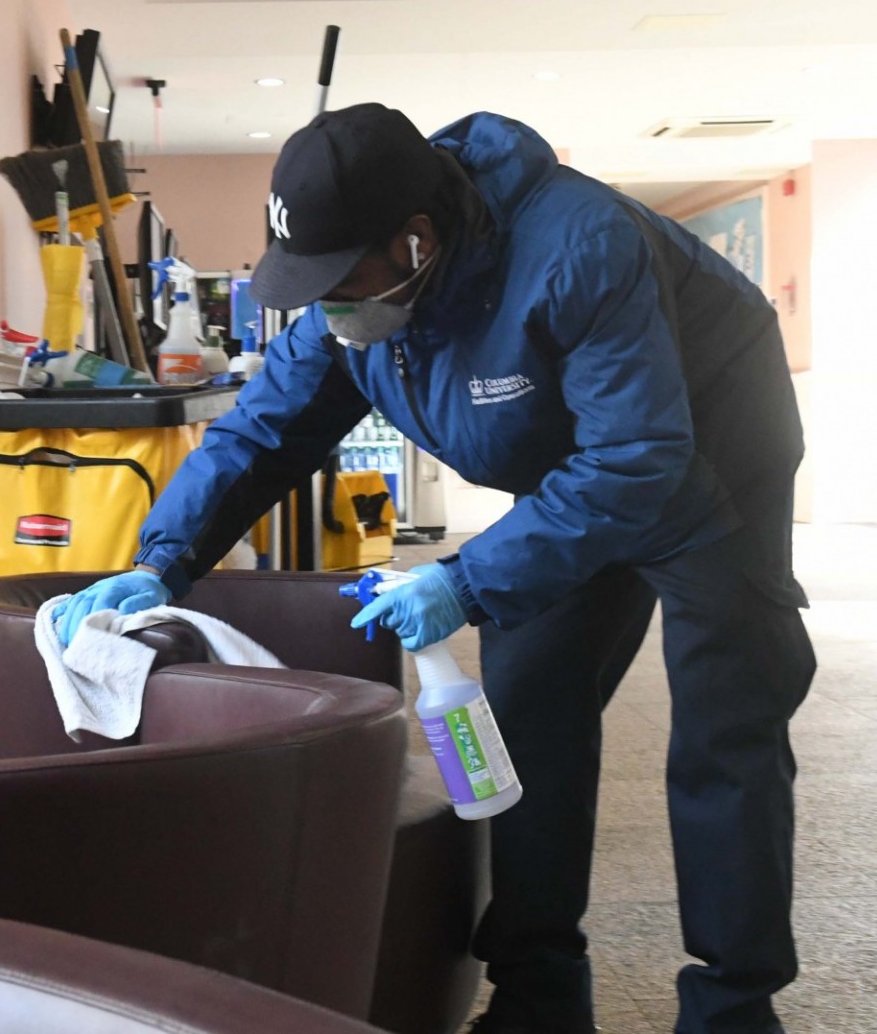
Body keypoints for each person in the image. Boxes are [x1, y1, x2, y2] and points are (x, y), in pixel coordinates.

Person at [53, 104, 816, 1034]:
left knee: (725, 720)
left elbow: (636, 460)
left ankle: (735, 1009)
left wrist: (468, 579)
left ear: (416, 241)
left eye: (337, 282)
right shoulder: (355, 307)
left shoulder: (580, 247)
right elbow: (263, 431)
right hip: (575, 470)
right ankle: (539, 996)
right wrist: (160, 564)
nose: (324, 305)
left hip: (713, 457)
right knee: (530, 715)